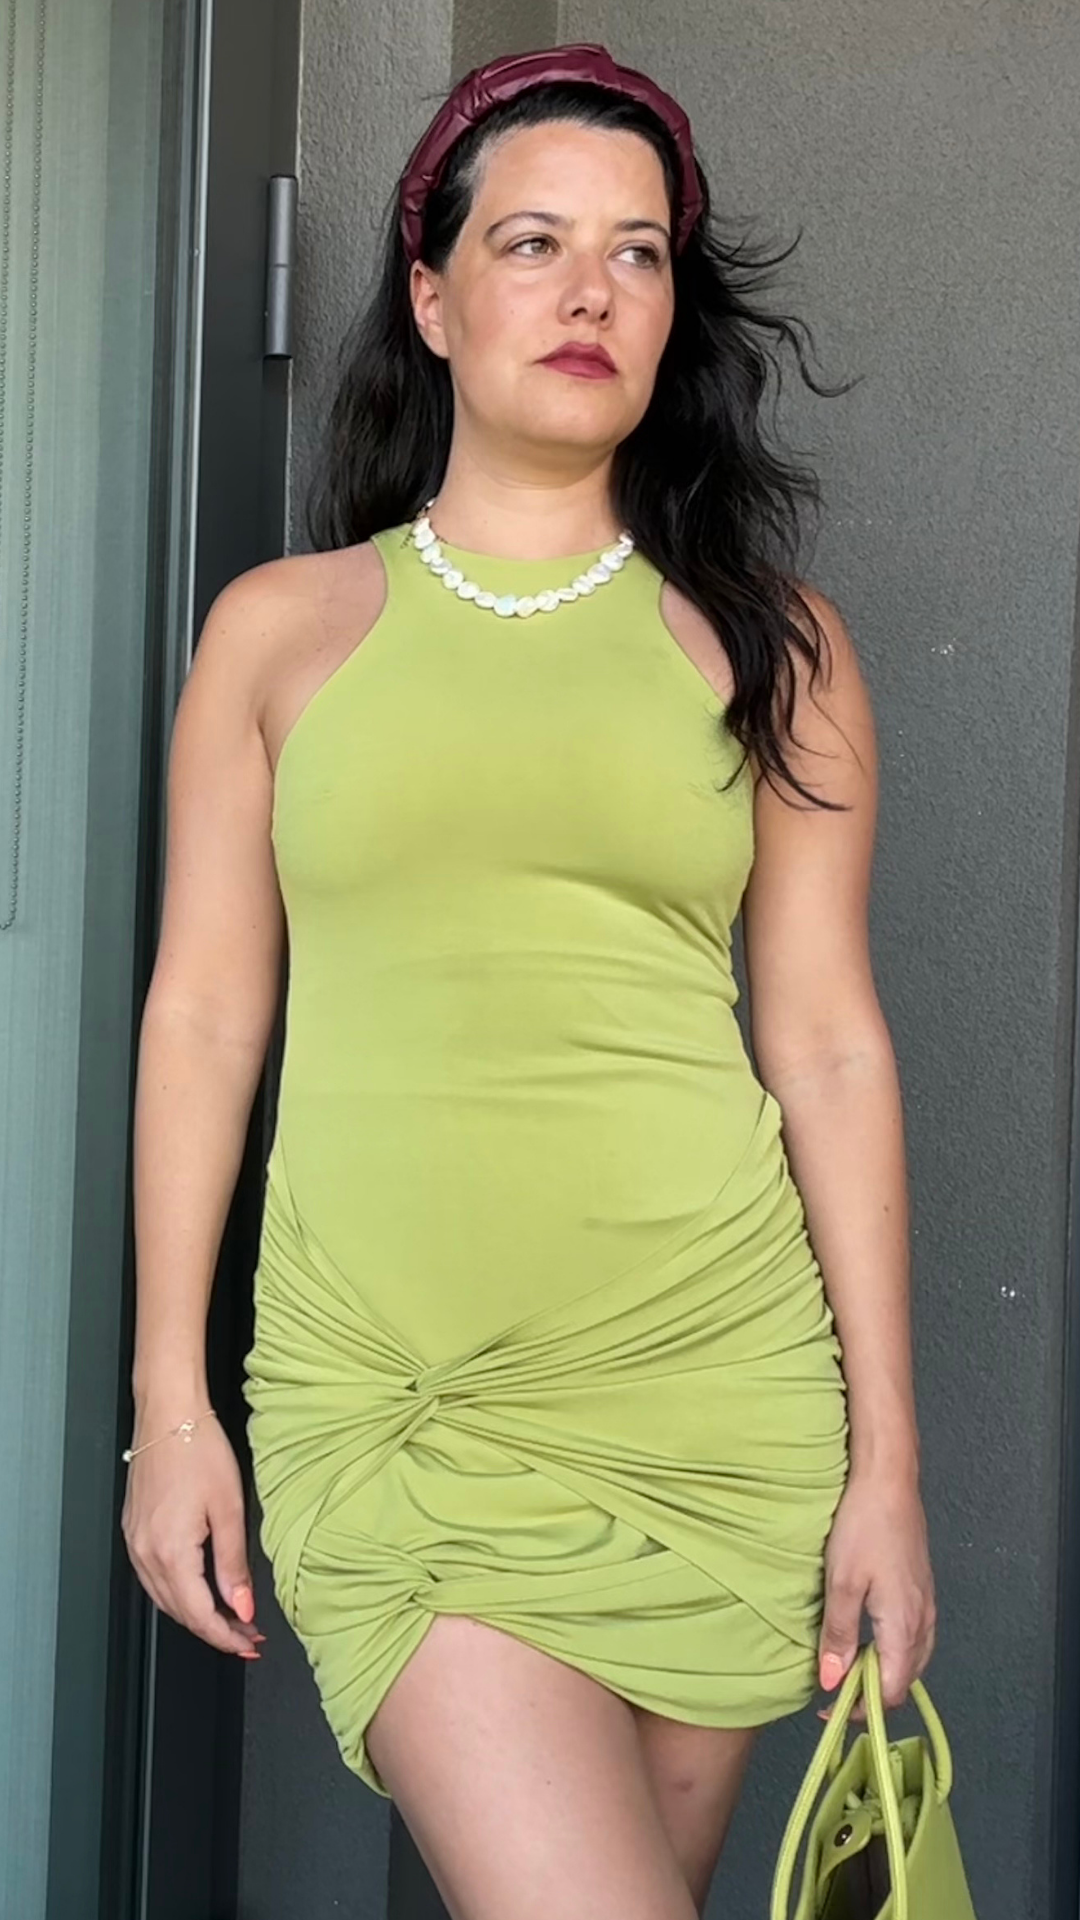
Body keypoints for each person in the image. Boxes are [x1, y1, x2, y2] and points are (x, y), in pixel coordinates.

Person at [121, 42, 936, 1920]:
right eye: (535, 242)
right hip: (395, 1401)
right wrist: (173, 1400)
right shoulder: (281, 634)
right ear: (431, 296)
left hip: (716, 1398)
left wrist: (888, 1465)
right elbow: (206, 1018)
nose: (591, 291)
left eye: (638, 254)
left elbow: (827, 1043)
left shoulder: (774, 651)